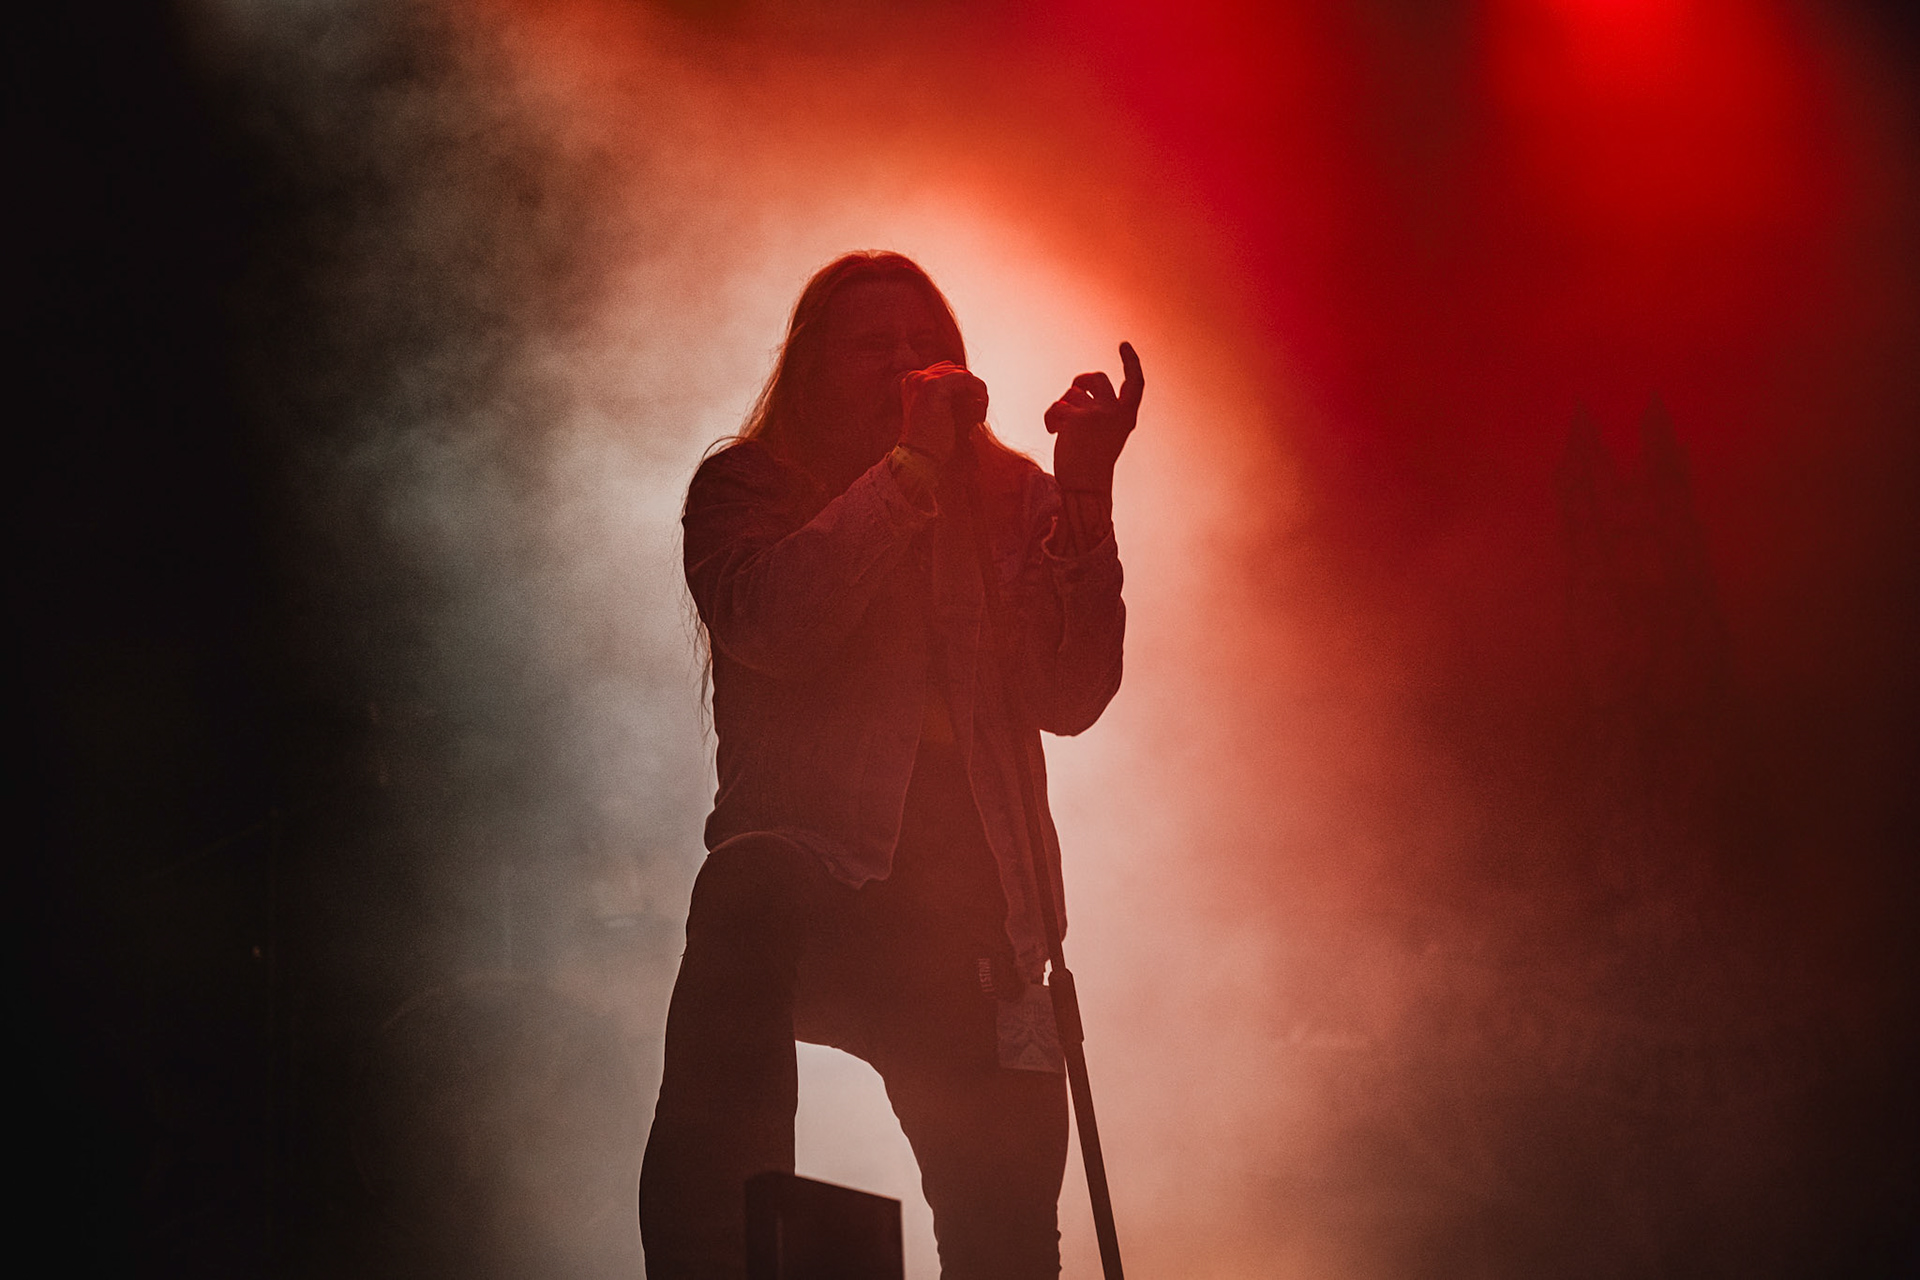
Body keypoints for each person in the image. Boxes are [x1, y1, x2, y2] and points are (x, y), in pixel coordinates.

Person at [639, 251, 1142, 1279]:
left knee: (1006, 1239)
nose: (909, 364)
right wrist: (907, 471)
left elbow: (1072, 694)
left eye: (929, 346)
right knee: (742, 893)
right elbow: (775, 623)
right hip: (819, 875)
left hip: (978, 919)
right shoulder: (746, 483)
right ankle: (714, 1257)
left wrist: (1084, 498)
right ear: (813, 365)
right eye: (876, 346)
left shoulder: (1010, 499)